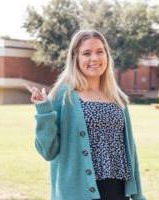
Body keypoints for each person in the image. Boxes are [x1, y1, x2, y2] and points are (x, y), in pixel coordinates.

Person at [26, 29, 146, 200]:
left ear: (107, 56)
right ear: (76, 58)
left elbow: (130, 153)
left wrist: (139, 195)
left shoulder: (117, 98)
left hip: (118, 192)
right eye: (86, 53)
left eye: (99, 52)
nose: (94, 59)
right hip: (78, 193)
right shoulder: (63, 96)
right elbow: (48, 151)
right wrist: (44, 111)